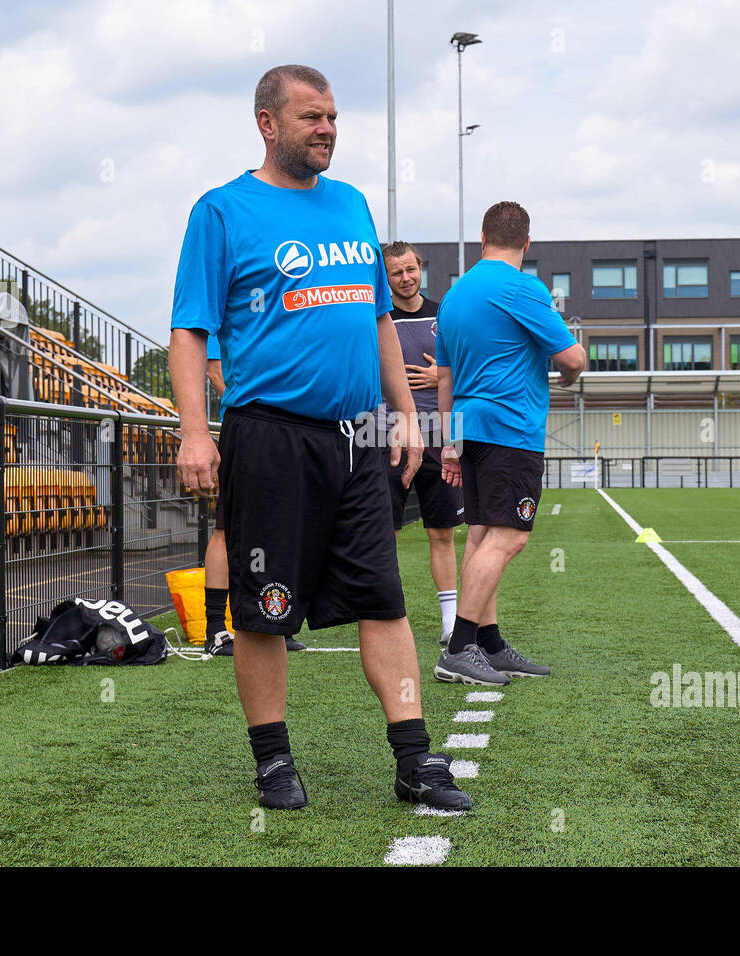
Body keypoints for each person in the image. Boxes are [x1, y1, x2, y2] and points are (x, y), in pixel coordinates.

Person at [168, 64, 472, 812]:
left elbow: (376, 323)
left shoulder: (352, 206)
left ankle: (415, 761)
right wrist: (193, 431)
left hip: (357, 439)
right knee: (265, 608)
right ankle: (273, 763)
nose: (328, 129)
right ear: (268, 124)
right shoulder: (222, 211)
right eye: (311, 117)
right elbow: (188, 331)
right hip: (268, 438)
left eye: (333, 116)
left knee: (384, 600)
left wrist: (403, 414)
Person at [434, 200, 587, 687]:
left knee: (480, 534)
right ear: (527, 243)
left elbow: (444, 378)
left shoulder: (455, 296)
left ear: (482, 241)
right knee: (509, 537)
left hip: (470, 429)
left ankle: (489, 643)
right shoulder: (523, 288)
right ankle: (459, 647)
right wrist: (569, 369)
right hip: (510, 430)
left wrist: (450, 445)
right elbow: (574, 357)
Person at [198, 332, 305, 657]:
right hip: (248, 429)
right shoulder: (224, 310)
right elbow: (215, 371)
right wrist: (256, 408)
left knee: (275, 530)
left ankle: (273, 618)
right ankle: (216, 628)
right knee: (225, 529)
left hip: (281, 429)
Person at [379, 241, 464, 644]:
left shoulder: (442, 315)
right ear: (385, 275)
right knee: (386, 533)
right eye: (396, 272)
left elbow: (464, 368)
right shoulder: (377, 319)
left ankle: (450, 622)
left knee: (442, 532)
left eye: (410, 269)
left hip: (442, 438)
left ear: (421, 268)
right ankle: (389, 616)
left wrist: (439, 378)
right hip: (391, 437)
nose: (405, 278)